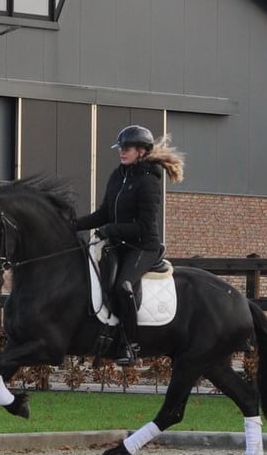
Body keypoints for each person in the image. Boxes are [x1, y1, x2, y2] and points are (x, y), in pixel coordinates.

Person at [75, 125, 185, 365]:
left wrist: (110, 230)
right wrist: (74, 225)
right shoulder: (118, 176)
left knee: (123, 286)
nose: (122, 152)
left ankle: (130, 345)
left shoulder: (149, 181)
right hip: (118, 245)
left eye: (127, 148)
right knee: (94, 280)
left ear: (142, 152)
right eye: (121, 148)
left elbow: (144, 226)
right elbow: (104, 213)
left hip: (143, 247)